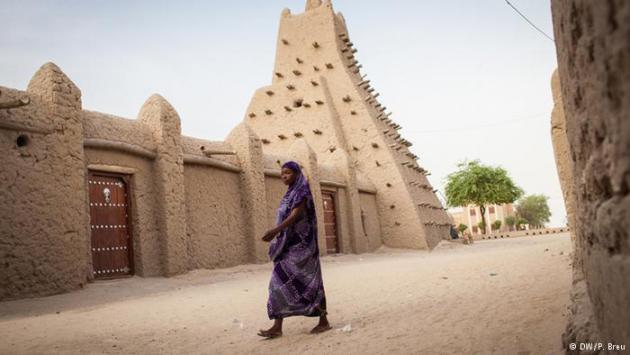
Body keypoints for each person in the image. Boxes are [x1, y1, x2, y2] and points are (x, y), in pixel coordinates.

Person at [257, 161, 331, 339]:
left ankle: (323, 321)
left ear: (297, 174)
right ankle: (277, 326)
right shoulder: (289, 193)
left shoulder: (302, 192)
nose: (284, 176)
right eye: (282, 173)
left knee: (311, 283)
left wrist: (275, 231)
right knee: (278, 283)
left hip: (304, 248)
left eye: (288, 173)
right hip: (288, 247)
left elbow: (295, 215)